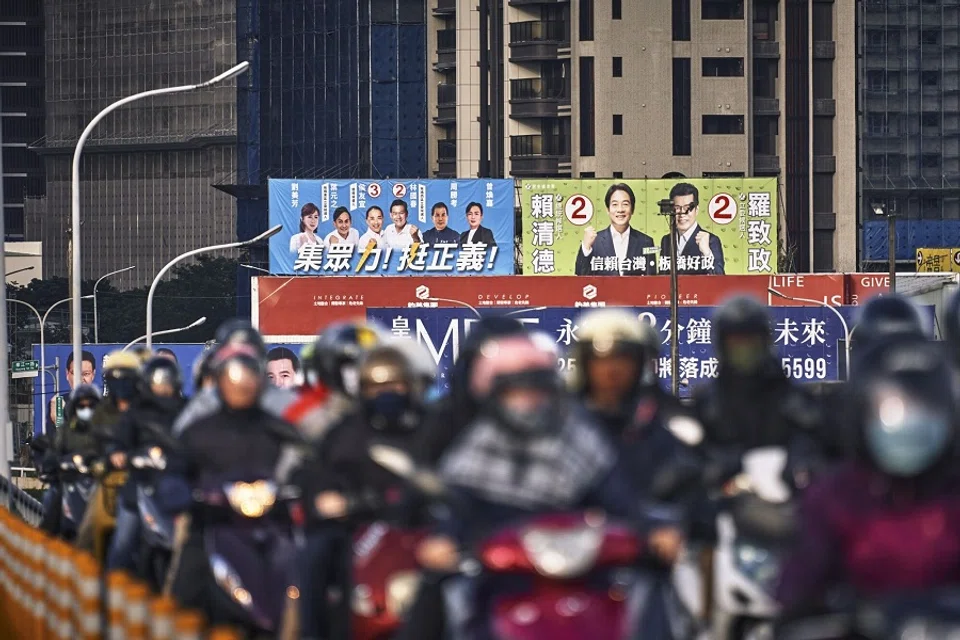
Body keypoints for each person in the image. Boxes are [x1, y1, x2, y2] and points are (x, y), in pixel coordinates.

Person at [411, 333, 682, 639]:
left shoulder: (580, 443)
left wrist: (653, 531)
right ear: (494, 397)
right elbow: (456, 509)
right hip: (500, 587)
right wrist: (444, 540)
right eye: (515, 393)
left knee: (651, 592)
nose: (528, 402)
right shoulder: (473, 451)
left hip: (583, 583)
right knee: (435, 595)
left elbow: (620, 501)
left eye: (537, 391)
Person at [776, 338, 960, 618]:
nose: (909, 425)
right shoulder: (835, 497)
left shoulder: (952, 496)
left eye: (923, 409)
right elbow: (796, 591)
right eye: (894, 408)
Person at [295, 341, 435, 639]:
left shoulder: (430, 426)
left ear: (409, 387)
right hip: (356, 528)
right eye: (375, 387)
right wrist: (326, 499)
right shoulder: (345, 431)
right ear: (362, 390)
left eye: (395, 386)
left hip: (419, 526)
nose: (386, 395)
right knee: (316, 555)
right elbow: (317, 474)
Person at [164, 343, 305, 627]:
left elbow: (309, 467)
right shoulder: (198, 430)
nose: (241, 384)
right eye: (232, 375)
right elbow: (174, 472)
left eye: (249, 374)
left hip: (273, 527)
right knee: (183, 597)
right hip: (215, 524)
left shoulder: (280, 430)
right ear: (218, 380)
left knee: (315, 587)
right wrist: (184, 495)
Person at [693, 295, 823, 453]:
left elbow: (819, 447)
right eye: (736, 343)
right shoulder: (708, 408)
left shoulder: (793, 403)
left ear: (765, 342)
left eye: (751, 342)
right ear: (721, 346)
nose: (744, 350)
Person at [410, 315, 529, 465]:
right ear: (469, 368)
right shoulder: (439, 422)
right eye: (486, 367)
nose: (496, 380)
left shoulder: (548, 424)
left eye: (509, 369)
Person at [106, 356, 185, 574]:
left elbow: (199, 439)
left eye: (167, 381)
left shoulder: (185, 410)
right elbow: (119, 442)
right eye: (158, 381)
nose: (163, 387)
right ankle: (110, 594)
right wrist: (118, 455)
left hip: (177, 490)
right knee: (122, 546)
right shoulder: (135, 413)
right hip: (140, 488)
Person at [173, 318, 297, 437]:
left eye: (247, 362)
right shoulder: (206, 403)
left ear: (261, 366)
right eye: (232, 361)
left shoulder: (283, 403)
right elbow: (180, 442)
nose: (240, 371)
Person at [39, 384, 103, 535]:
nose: (86, 409)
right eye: (82, 406)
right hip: (70, 483)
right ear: (74, 408)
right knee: (50, 496)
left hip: (99, 486)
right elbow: (53, 452)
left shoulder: (104, 431)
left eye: (91, 405)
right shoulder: (66, 431)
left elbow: (115, 451)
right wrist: (50, 464)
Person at [575, 183, 656, 276]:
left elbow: (651, 281)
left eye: (625, 204)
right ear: (607, 210)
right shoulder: (595, 241)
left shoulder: (646, 242)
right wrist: (585, 247)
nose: (620, 209)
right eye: (615, 204)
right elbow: (580, 276)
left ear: (632, 209)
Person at [658, 182, 725, 275]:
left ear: (696, 210)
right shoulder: (666, 240)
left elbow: (720, 278)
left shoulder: (711, 240)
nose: (682, 213)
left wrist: (707, 253)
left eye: (687, 208)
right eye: (677, 208)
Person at [49, 349, 97, 431]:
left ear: (93, 374)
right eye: (76, 374)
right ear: (67, 374)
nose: (81, 379)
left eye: (86, 374)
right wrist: (58, 420)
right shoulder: (59, 404)